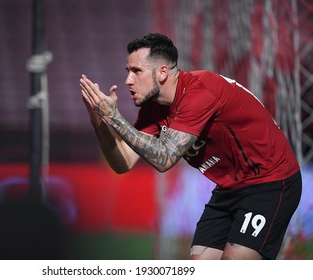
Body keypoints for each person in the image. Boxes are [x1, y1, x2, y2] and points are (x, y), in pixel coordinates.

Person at [79, 33, 302, 260]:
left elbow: (164, 159)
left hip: (269, 182)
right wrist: (98, 120)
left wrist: (115, 117)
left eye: (136, 71)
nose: (128, 80)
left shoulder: (200, 91)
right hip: (229, 188)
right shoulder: (153, 109)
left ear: (163, 72)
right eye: (128, 71)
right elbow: (123, 162)